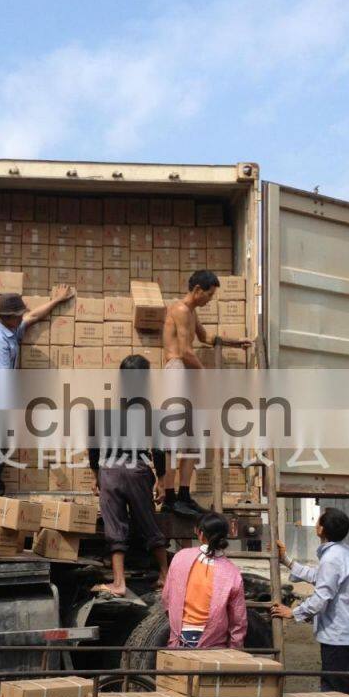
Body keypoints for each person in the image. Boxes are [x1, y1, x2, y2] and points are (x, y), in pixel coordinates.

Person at [271, 507, 349, 697]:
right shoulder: (342, 552)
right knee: (347, 693)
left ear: (322, 529)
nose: (316, 524)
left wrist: (293, 613)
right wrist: (288, 561)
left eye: (318, 521)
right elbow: (319, 577)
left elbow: (322, 596)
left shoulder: (334, 557)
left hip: (339, 638)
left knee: (335, 694)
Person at [0, 284, 74, 496]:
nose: (22, 317)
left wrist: (57, 300)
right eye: (18, 315)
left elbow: (33, 316)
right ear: (9, 317)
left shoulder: (9, 330)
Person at [161, 269, 252, 518]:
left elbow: (205, 337)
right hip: (177, 371)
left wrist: (234, 342)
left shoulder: (192, 312)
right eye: (209, 294)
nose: (210, 299)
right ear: (197, 290)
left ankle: (183, 495)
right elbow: (185, 351)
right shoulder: (180, 310)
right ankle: (169, 497)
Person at [89, 354, 169, 597]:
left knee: (114, 526)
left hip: (110, 471)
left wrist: (96, 475)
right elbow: (159, 449)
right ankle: (165, 575)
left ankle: (119, 582)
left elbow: (93, 445)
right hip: (137, 470)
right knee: (148, 522)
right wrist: (161, 481)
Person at [162, 512, 247, 648]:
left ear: (200, 534)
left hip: (180, 638)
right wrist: (235, 648)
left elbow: (166, 598)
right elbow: (238, 620)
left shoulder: (180, 557)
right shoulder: (232, 572)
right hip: (213, 643)